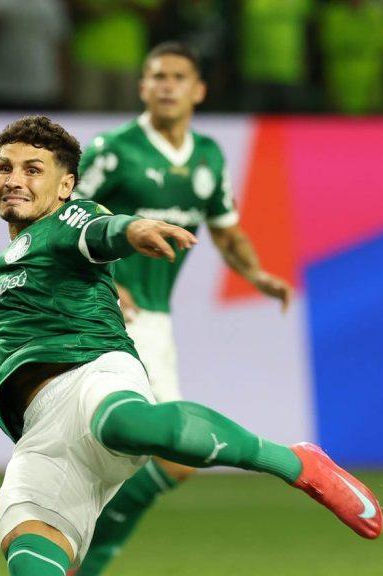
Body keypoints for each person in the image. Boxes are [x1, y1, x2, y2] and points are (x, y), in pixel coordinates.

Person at [0, 115, 383, 575]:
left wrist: (134, 229)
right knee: (29, 557)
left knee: (130, 424)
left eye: (33, 169)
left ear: (65, 185)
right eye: (5, 167)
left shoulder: (70, 220)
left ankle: (296, 463)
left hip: (93, 377)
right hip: (40, 441)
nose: (14, 179)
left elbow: (103, 230)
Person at [72, 41, 295, 575]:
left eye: (177, 77)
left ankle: (80, 552)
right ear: (142, 87)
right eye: (157, 76)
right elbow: (67, 215)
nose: (167, 85)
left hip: (155, 318)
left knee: (164, 457)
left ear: (199, 90)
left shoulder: (208, 157)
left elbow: (227, 230)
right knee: (168, 452)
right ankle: (84, 555)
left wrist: (256, 274)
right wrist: (106, 278)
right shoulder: (113, 149)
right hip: (108, 314)